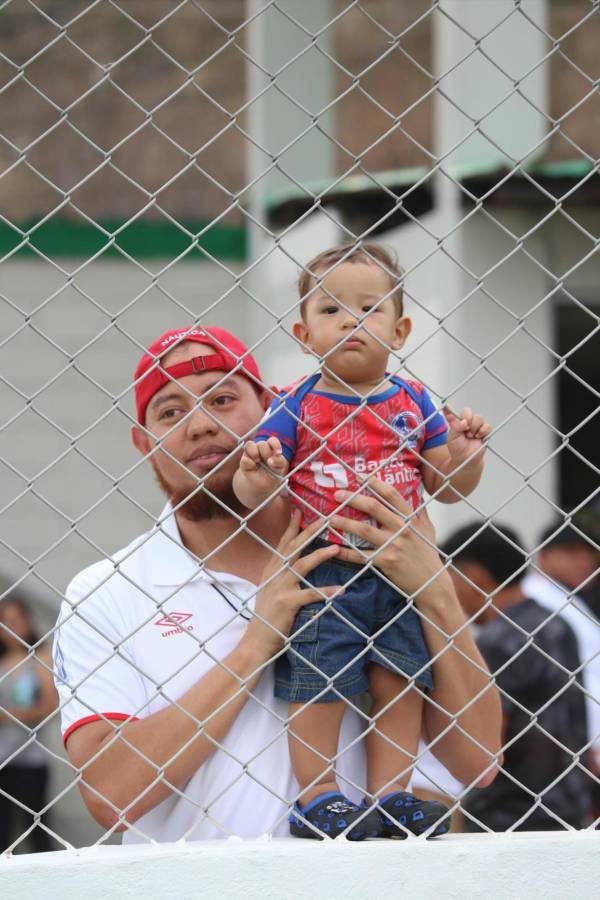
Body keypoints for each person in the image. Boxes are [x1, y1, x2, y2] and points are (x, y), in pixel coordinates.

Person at [53, 325, 502, 844]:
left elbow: (478, 761)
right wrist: (256, 645)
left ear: (272, 408)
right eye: (170, 412)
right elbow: (112, 794)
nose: (200, 425)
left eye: (222, 399)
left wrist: (436, 591)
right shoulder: (109, 590)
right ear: (143, 441)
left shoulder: (374, 551)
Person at [232, 243, 492, 838]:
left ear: (399, 330)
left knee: (401, 677)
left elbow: (445, 485)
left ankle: (389, 794)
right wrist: (260, 468)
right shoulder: (296, 404)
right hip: (325, 567)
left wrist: (467, 456)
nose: (351, 320)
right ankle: (318, 792)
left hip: (401, 569)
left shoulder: (414, 401)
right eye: (330, 310)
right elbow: (252, 492)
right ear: (303, 333)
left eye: (370, 309)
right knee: (319, 678)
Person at [443, 522, 591, 831]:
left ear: (474, 578)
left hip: (508, 813)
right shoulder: (556, 625)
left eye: (450, 576)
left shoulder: (496, 641)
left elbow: (485, 741)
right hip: (569, 804)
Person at [0, 596, 58, 853]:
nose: (13, 627)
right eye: (6, 622)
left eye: (18, 619)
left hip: (31, 759)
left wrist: (9, 715)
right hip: (2, 758)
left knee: (37, 831)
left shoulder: (40, 659)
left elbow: (49, 705)